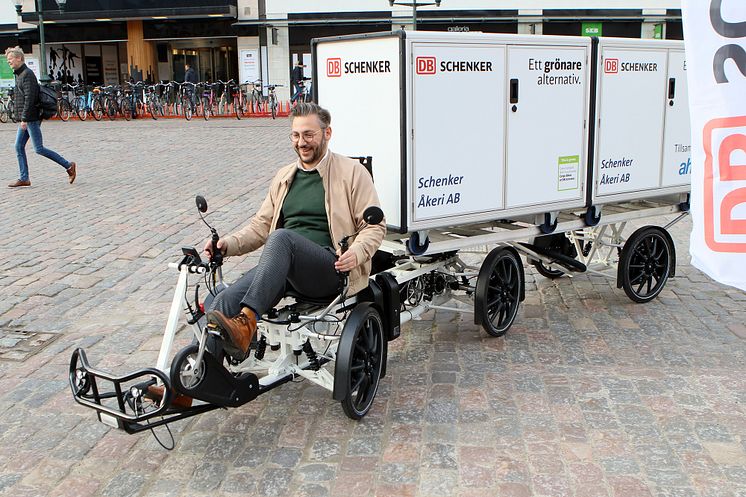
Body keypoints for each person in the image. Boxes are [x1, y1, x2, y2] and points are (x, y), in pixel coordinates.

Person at [203, 102, 385, 356]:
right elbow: (261, 226)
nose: (302, 142)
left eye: (309, 135)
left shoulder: (352, 172)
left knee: (281, 238)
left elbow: (374, 227)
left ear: (327, 134)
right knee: (222, 302)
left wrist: (356, 252)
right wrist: (227, 244)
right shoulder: (284, 176)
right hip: (283, 270)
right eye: (296, 135)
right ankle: (191, 386)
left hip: (330, 269)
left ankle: (246, 323)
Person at [6, 47, 76, 188]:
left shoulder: (27, 74)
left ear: (19, 58)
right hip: (26, 118)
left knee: (39, 148)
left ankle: (68, 165)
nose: (9, 62)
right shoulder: (19, 75)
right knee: (18, 146)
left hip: (31, 118)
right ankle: (24, 178)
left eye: (11, 59)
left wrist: (24, 119)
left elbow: (30, 98)